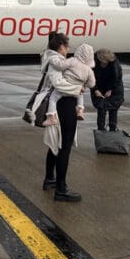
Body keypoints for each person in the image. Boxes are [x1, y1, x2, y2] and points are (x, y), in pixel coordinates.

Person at [37, 32, 84, 202]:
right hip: (64, 107)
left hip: (59, 107)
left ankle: (50, 179)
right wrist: (77, 89)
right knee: (65, 147)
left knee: (55, 145)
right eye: (67, 46)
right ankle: (61, 189)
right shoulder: (56, 61)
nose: (68, 49)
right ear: (61, 46)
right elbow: (58, 83)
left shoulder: (50, 58)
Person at [41, 43, 96, 126]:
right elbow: (92, 84)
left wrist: (52, 60)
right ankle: (80, 110)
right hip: (77, 91)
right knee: (80, 95)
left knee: (52, 99)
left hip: (66, 87)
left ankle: (51, 117)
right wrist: (84, 84)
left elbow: (60, 66)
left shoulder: (73, 60)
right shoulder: (89, 70)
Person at [91, 48, 125, 132]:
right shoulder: (94, 62)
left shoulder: (115, 65)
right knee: (101, 109)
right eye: (103, 63)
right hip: (99, 87)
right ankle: (101, 132)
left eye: (106, 63)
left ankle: (112, 131)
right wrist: (95, 89)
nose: (104, 64)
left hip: (115, 88)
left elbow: (117, 79)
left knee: (113, 109)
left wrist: (110, 90)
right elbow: (90, 78)